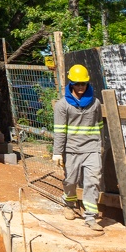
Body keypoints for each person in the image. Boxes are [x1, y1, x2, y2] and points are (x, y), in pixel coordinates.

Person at [52, 64, 104, 232]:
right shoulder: (62, 105)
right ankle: (69, 204)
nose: (81, 87)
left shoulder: (95, 103)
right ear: (71, 83)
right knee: (70, 181)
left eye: (83, 83)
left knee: (93, 181)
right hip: (71, 149)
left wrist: (100, 146)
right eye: (77, 84)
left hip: (91, 149)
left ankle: (90, 217)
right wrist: (57, 152)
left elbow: (99, 126)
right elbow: (60, 130)